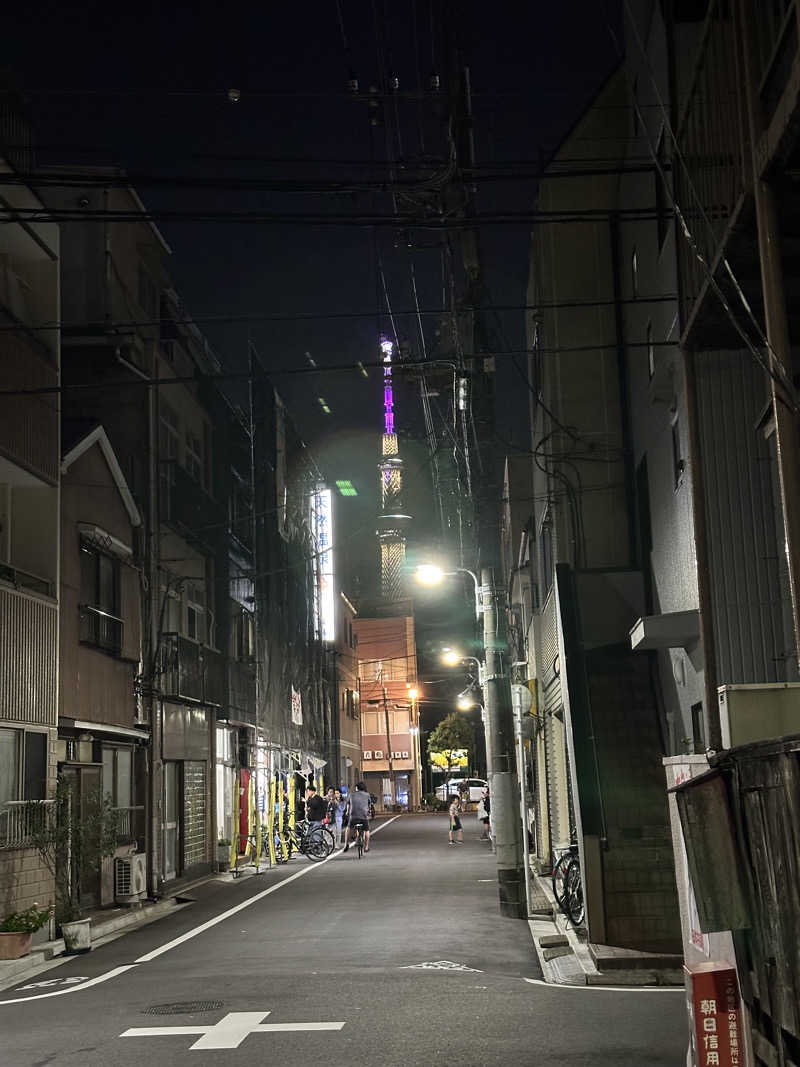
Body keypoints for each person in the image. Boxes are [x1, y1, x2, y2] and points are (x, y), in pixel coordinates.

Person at [343, 781, 372, 853]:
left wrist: (347, 812)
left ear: (357, 788)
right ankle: (366, 847)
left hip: (353, 816)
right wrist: (369, 812)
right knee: (367, 830)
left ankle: (346, 844)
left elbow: (348, 804)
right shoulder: (367, 795)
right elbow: (369, 805)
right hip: (363, 816)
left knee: (348, 828)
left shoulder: (351, 794)